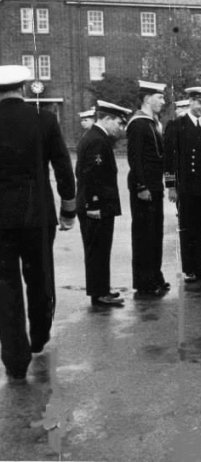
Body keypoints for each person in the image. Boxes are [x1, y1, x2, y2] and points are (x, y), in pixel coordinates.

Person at [0, 65, 76, 383]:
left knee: (5, 286)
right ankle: (39, 336)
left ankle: (15, 360)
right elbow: (62, 164)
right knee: (40, 277)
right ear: (22, 86)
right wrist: (68, 208)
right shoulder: (44, 119)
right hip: (37, 214)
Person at [76, 100, 131, 308]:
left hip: (97, 205)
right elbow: (91, 175)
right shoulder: (97, 141)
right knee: (97, 250)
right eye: (118, 122)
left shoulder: (97, 137)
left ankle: (101, 289)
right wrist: (94, 204)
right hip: (95, 206)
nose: (120, 127)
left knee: (100, 249)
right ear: (106, 119)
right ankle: (99, 294)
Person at [164, 86, 201, 283]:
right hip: (185, 186)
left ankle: (200, 267)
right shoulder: (177, 125)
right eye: (200, 103)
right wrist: (171, 186)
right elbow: (169, 158)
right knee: (187, 227)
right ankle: (189, 268)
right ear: (191, 102)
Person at [126, 80, 169, 296]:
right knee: (144, 235)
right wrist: (141, 186)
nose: (163, 101)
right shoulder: (138, 124)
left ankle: (155, 276)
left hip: (155, 186)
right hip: (145, 188)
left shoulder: (152, 123)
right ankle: (144, 282)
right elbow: (135, 160)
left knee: (155, 233)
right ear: (146, 99)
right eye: (159, 97)